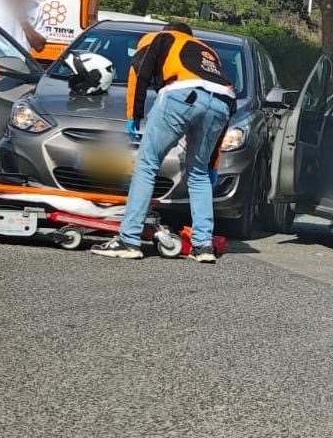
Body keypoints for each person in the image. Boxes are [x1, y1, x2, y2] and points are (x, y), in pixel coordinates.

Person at [91, 21, 234, 263]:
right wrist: (213, 164)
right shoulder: (208, 52)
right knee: (198, 173)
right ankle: (203, 246)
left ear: (168, 30)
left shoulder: (162, 38)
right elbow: (225, 100)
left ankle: (129, 240)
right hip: (223, 102)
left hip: (182, 95)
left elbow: (140, 72)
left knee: (148, 164)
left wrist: (133, 115)